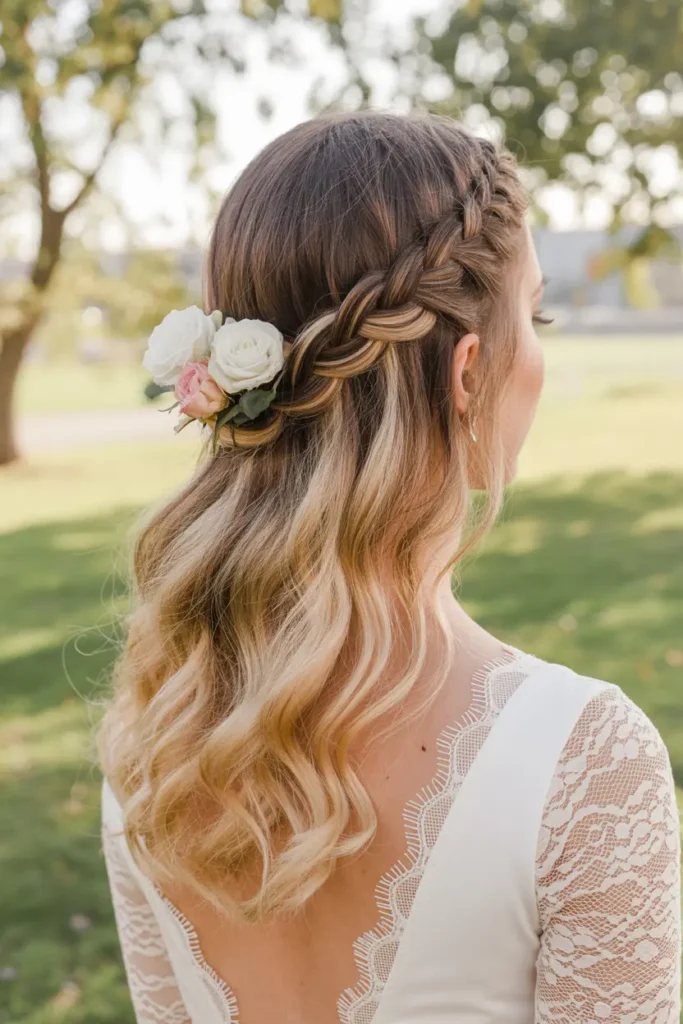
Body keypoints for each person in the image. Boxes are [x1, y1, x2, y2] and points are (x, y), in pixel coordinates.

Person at [99, 112, 681, 1024]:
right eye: (535, 315)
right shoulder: (583, 764)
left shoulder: (151, 748)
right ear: (468, 369)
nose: (540, 350)